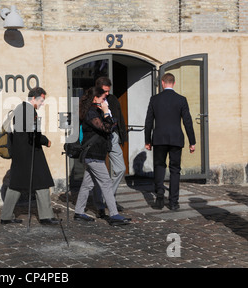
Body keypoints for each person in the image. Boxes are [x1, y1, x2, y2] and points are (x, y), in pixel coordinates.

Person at [0, 87, 59, 225]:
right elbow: (33, 134)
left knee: (16, 185)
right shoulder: (28, 110)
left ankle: (6, 216)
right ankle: (46, 217)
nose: (42, 103)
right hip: (31, 154)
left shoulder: (20, 109)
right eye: (41, 100)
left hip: (21, 155)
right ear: (34, 98)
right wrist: (46, 141)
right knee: (42, 182)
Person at [74, 86, 131, 226]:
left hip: (97, 153)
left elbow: (112, 126)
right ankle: (114, 215)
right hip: (93, 153)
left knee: (88, 184)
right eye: (103, 98)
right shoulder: (91, 113)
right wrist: (106, 112)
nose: (105, 100)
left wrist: (106, 112)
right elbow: (106, 128)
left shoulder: (97, 111)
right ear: (95, 98)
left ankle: (78, 212)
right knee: (105, 182)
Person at [144, 73, 196, 210]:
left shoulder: (154, 99)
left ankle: (160, 196)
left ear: (162, 83)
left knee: (159, 166)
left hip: (159, 138)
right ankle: (173, 202)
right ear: (173, 83)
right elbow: (187, 122)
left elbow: (148, 121)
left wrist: (147, 140)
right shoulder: (181, 100)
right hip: (175, 138)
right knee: (175, 170)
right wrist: (192, 141)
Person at [92, 76, 127, 217]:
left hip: (112, 137)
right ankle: (100, 205)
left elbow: (120, 117)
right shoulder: (91, 100)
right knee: (95, 176)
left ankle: (109, 197)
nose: (107, 93)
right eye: (105, 91)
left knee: (120, 169)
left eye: (108, 91)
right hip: (98, 139)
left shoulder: (112, 99)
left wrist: (122, 135)